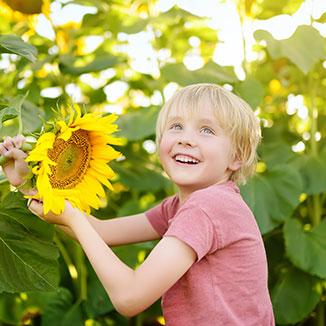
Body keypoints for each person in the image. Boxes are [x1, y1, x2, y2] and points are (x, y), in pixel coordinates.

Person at [0, 83, 275, 325]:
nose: (185, 138)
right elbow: (101, 232)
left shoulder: (208, 205)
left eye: (206, 130)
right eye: (176, 126)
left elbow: (129, 298)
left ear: (236, 157)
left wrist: (74, 219)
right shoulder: (184, 205)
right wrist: (29, 183)